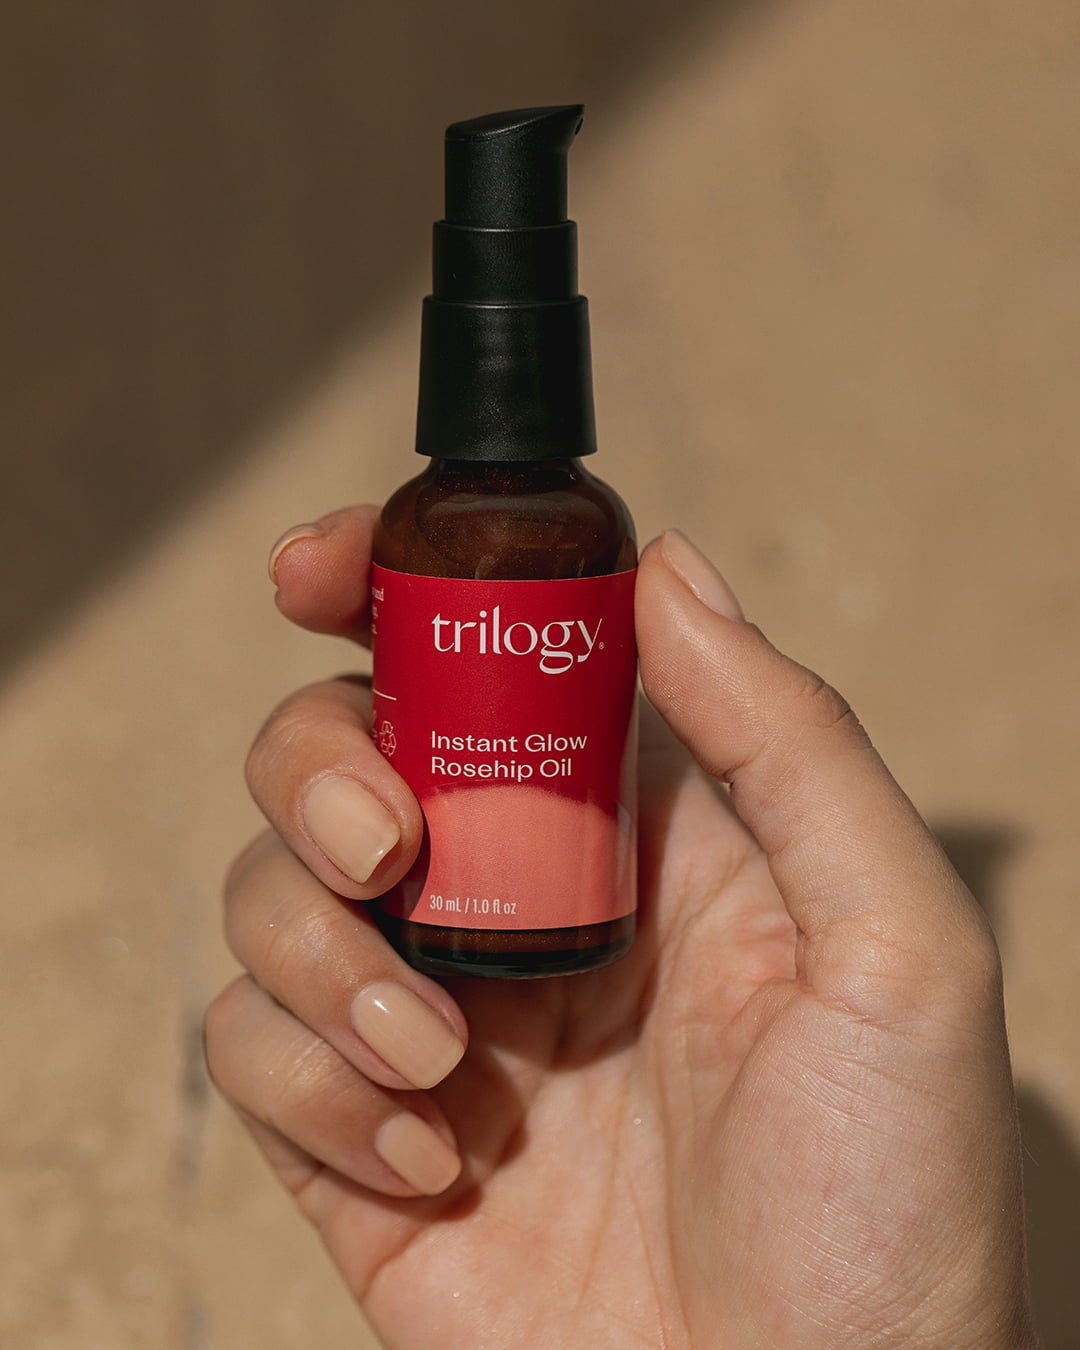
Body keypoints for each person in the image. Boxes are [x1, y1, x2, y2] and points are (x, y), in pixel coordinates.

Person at [204, 508, 1037, 1348]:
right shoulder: (454, 527)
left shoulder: (587, 528)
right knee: (356, 837)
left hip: (617, 980)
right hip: (498, 1104)